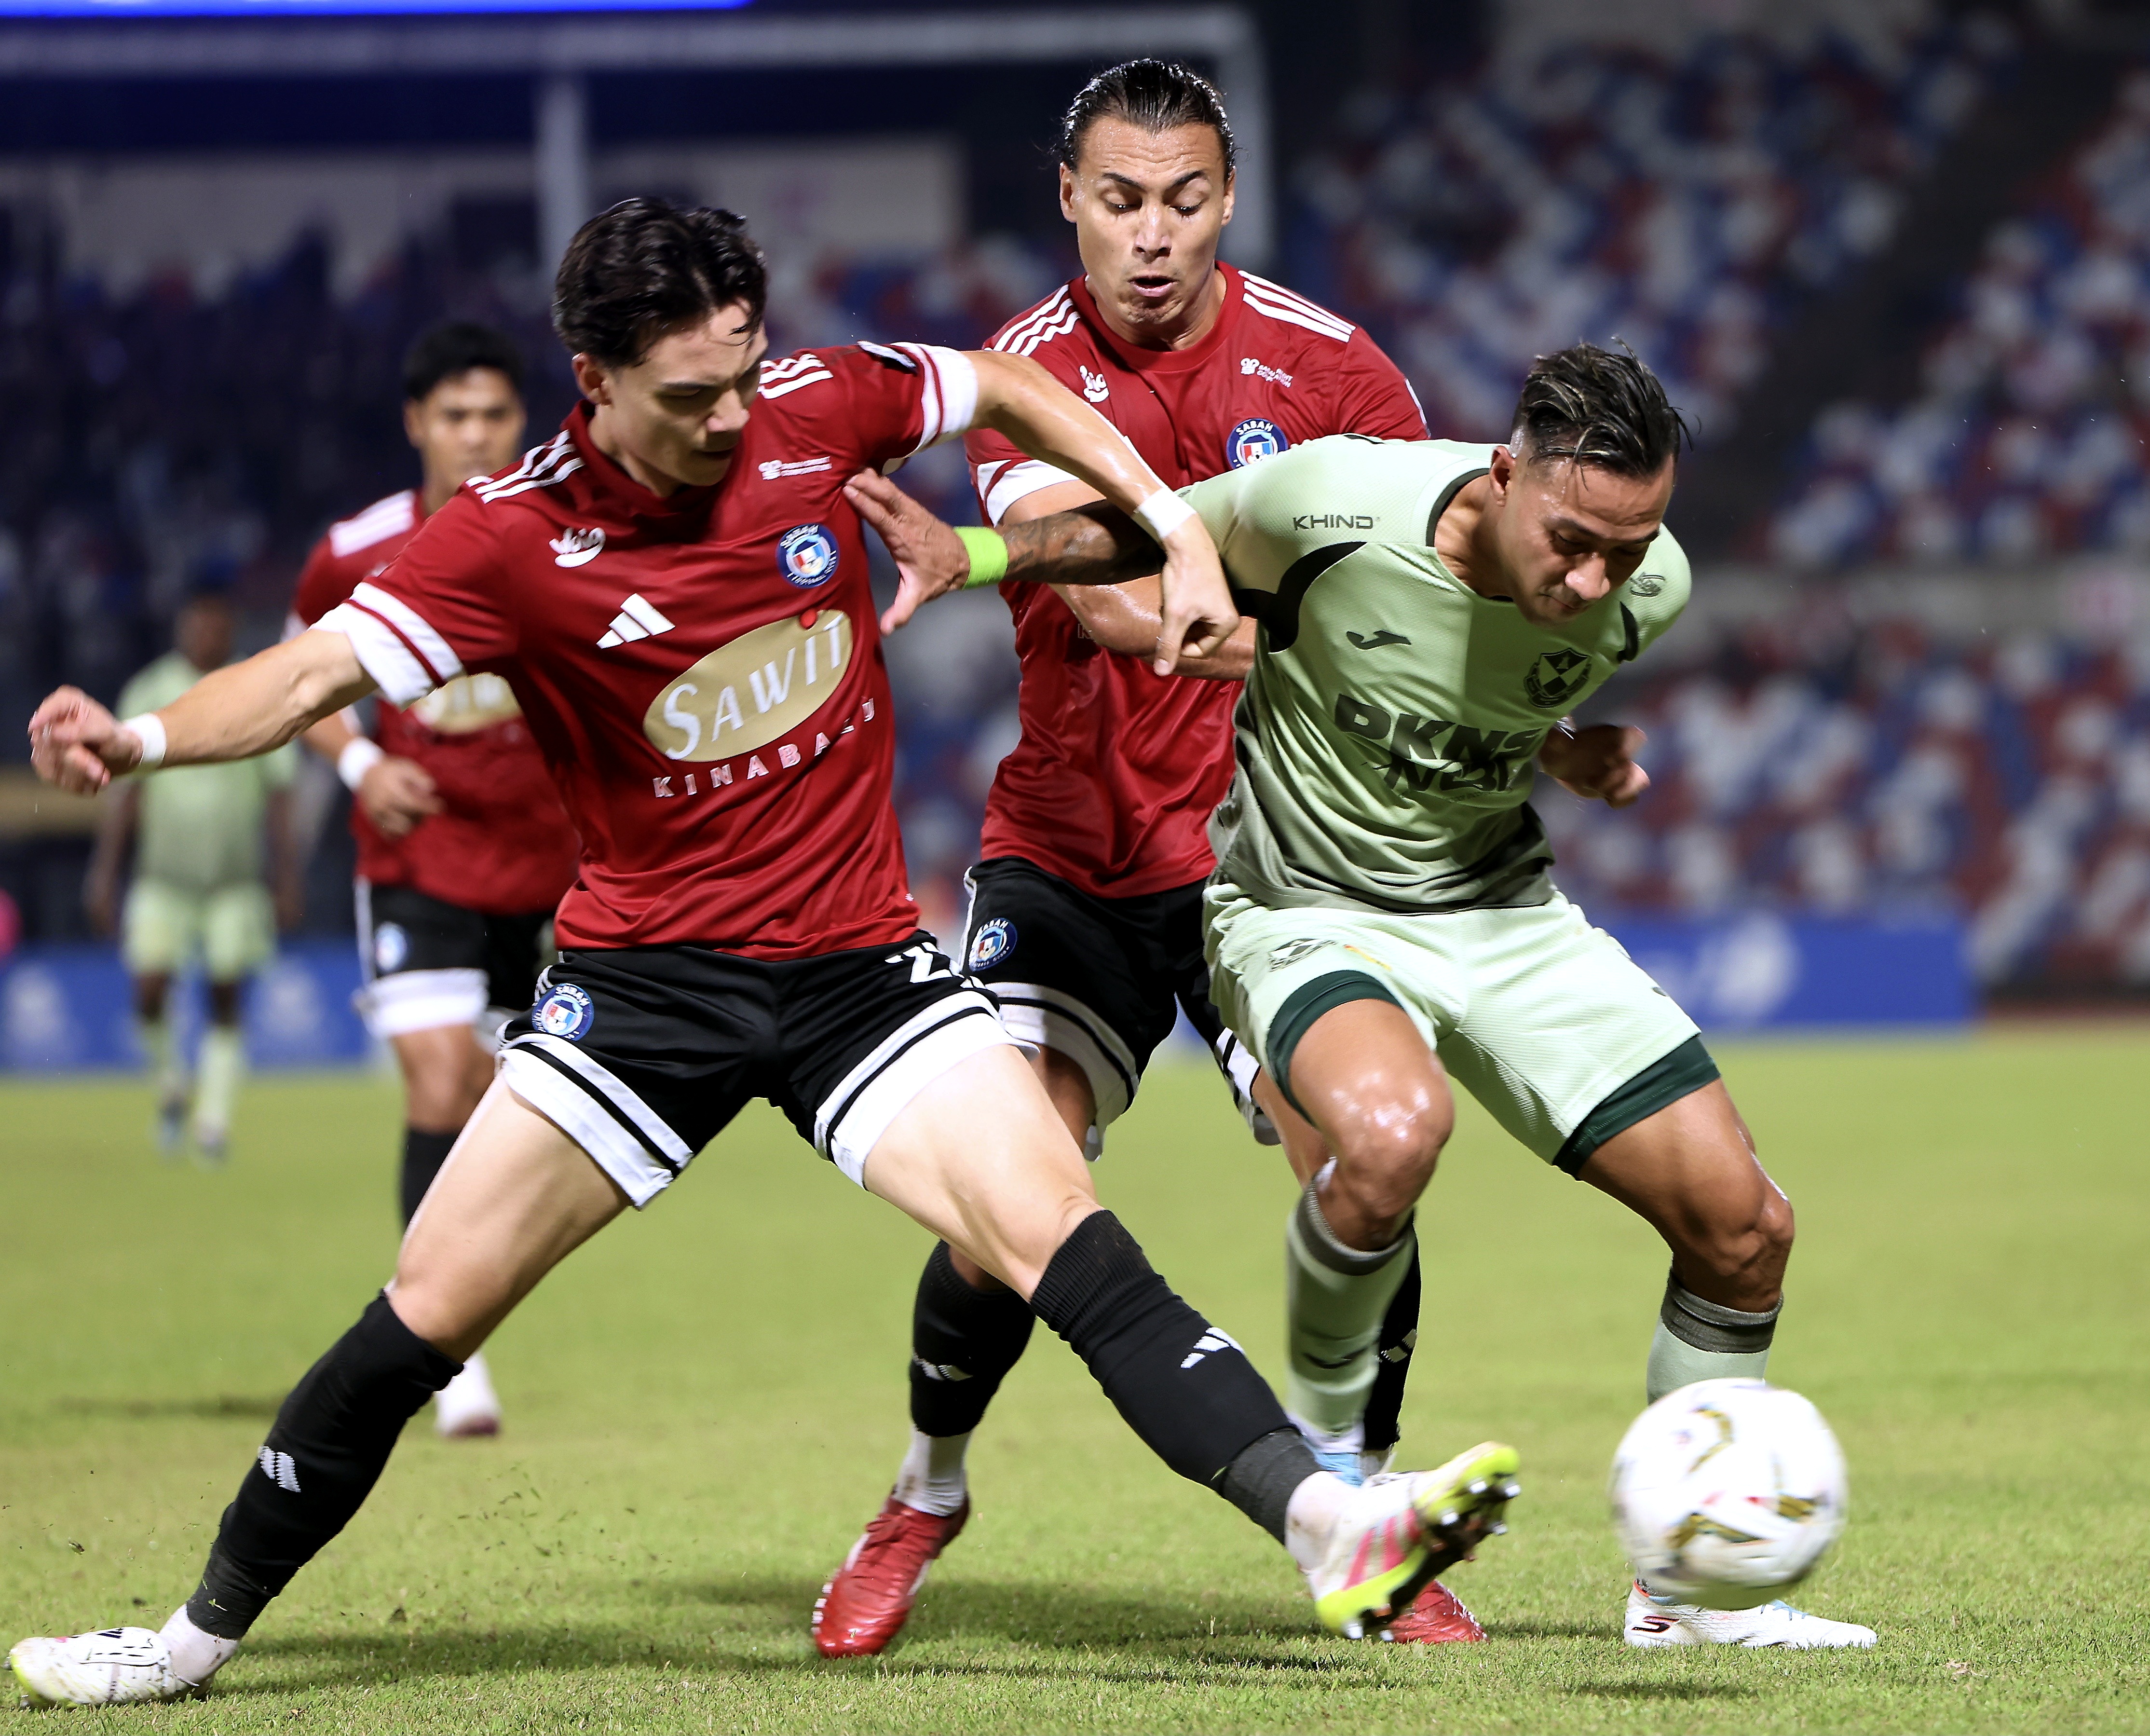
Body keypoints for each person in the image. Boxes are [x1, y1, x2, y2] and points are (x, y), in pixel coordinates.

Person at [8, 198, 1517, 1709]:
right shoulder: (511, 542)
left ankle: (1329, 1526)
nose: (732, 417)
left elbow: (996, 386)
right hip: (640, 994)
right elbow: (310, 672)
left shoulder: (814, 406)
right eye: (687, 396)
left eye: (742, 372)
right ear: (587, 378)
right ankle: (185, 1641)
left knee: (1057, 1220)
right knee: (427, 1306)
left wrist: (1175, 519)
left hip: (858, 968)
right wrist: (138, 738)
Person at [846, 342, 1880, 1650]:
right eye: (1570, 540)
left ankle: (1682, 1598)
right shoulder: (1332, 504)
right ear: (1502, 478)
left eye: (1627, 547)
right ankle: (1336, 1470)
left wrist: (1567, 750)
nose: (1592, 579)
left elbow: (1488, 685)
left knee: (1746, 1226)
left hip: (1504, 915)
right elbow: (1142, 536)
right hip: (1299, 904)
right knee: (1390, 1134)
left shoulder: (1646, 588)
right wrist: (981, 555)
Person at [811, 60, 1480, 1659]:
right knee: (1001, 1199)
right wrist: (1309, 648)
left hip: (1266, 860)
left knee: (1371, 1158)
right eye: (1120, 200)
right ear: (1069, 201)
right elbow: (1113, 595)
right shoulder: (1024, 375)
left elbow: (1434, 581)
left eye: (1183, 200)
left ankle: (1363, 1508)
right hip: (1069, 853)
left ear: (1226, 199)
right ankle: (927, 1485)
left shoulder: (1331, 366)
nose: (1152, 234)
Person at [290, 319, 576, 1440]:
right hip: (415, 859)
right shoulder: (359, 546)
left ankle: (450, 1303)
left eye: (494, 415)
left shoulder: (559, 528)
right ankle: (453, 1353)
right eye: (453, 416)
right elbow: (292, 666)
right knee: (436, 1079)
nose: (473, 435)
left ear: (523, 422)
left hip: (544, 869)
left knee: (498, 1105)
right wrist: (360, 762)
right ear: (417, 424)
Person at [84, 593, 300, 1169]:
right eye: (197, 625)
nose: (206, 635)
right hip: (164, 878)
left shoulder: (256, 686)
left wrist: (287, 875)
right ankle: (173, 1081)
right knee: (149, 991)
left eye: (217, 626)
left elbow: (280, 794)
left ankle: (212, 1124)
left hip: (235, 881)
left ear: (229, 629)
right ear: (183, 629)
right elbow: (124, 792)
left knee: (225, 998)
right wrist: (104, 874)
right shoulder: (151, 689)